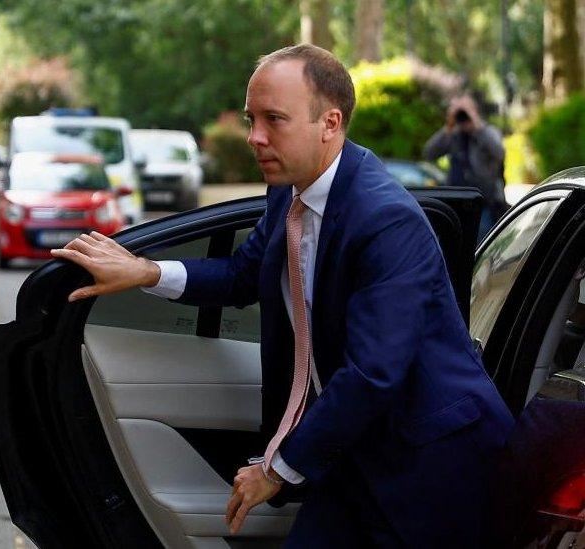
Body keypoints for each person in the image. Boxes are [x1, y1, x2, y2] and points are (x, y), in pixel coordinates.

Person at [52, 44, 514, 547]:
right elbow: (243, 275)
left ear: (330, 123)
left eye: (274, 120)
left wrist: (279, 470)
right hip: (348, 451)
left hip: (430, 463)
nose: (255, 137)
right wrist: (145, 271)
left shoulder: (385, 220)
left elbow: (373, 373)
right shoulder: (290, 190)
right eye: (252, 118)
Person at [424, 94, 507, 239]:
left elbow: (499, 152)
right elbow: (429, 152)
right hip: (454, 204)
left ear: (475, 110)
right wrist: (448, 127)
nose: (462, 115)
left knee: (480, 247)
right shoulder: (453, 134)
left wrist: (477, 127)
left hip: (483, 204)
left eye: (465, 110)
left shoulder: (488, 131)